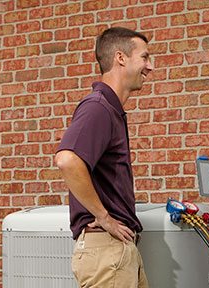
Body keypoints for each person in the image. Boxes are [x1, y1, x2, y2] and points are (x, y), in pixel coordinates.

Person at [55, 27, 153, 288]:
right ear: (121, 58)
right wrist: (105, 217)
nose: (149, 66)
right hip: (106, 248)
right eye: (144, 57)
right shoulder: (98, 107)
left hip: (118, 250)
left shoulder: (111, 110)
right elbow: (67, 160)